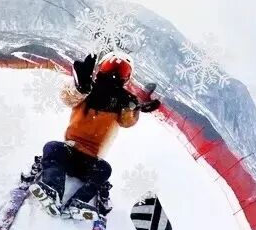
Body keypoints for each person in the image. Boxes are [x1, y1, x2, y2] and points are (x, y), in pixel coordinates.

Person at [30, 51, 160, 218]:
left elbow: (127, 122)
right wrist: (79, 87)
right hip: (70, 149)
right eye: (110, 68)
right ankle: (52, 190)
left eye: (120, 72)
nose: (113, 75)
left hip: (91, 159)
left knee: (104, 169)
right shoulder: (87, 89)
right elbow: (68, 97)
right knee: (52, 147)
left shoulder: (124, 101)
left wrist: (135, 108)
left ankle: (78, 204)